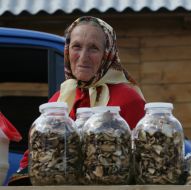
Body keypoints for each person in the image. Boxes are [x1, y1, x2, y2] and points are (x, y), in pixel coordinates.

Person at [8, 16, 146, 185]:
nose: (83, 57)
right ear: (67, 50)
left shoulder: (128, 99)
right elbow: (33, 158)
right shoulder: (59, 98)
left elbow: (145, 165)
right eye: (77, 46)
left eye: (93, 48)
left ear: (107, 54)